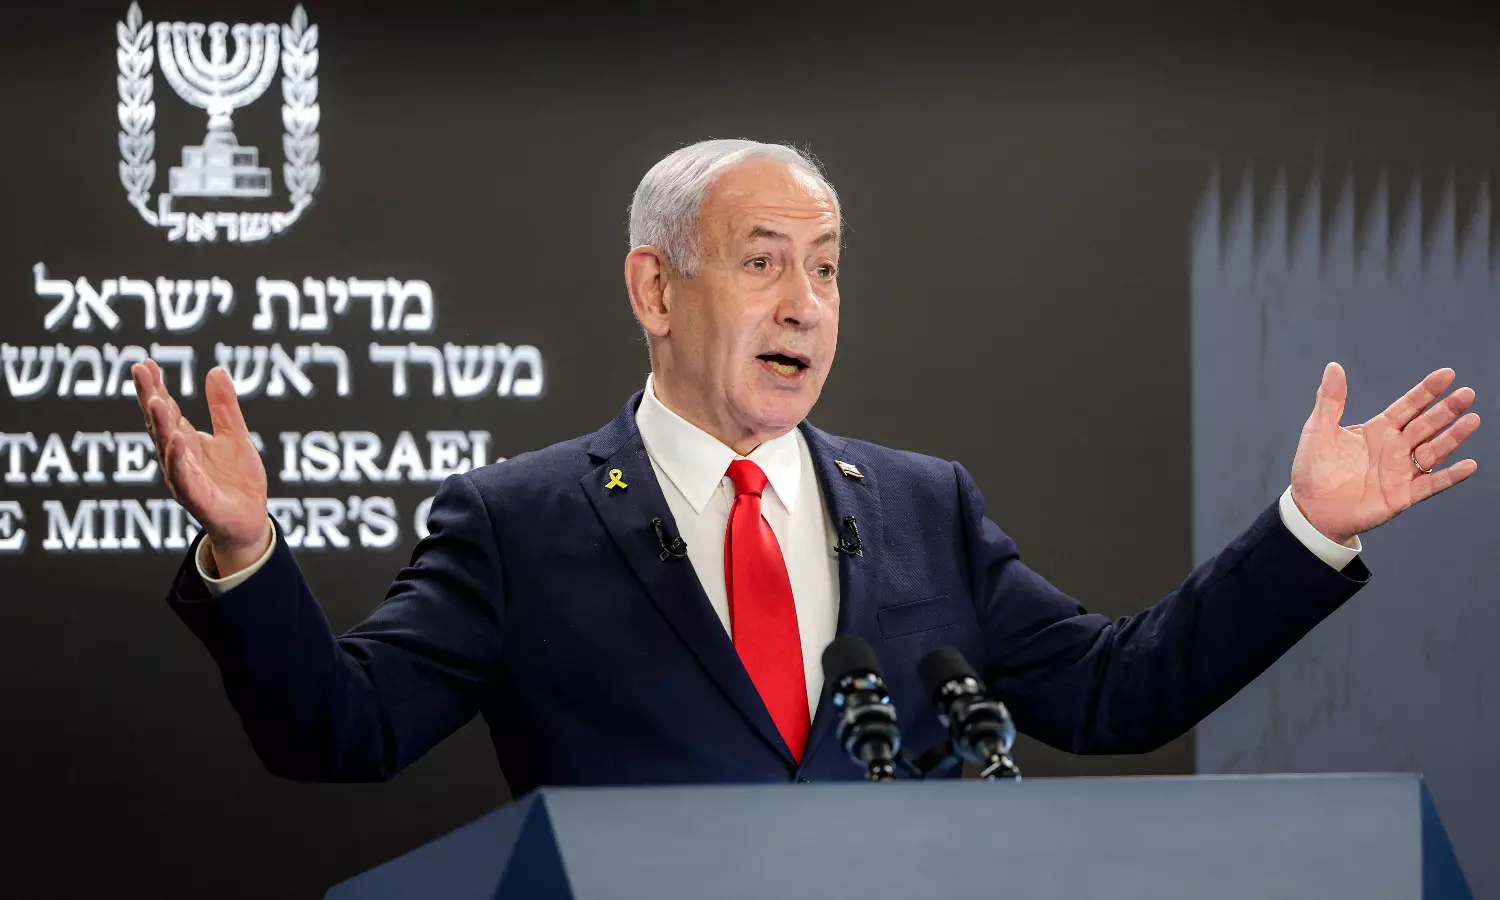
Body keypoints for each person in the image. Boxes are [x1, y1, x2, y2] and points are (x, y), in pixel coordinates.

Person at [132, 139, 1479, 790]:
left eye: (827, 270)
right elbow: (342, 729)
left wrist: (1307, 528)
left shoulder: (926, 508)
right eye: (764, 262)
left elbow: (1121, 692)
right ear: (655, 290)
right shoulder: (517, 521)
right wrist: (247, 554)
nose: (806, 304)